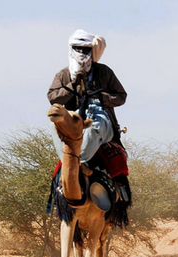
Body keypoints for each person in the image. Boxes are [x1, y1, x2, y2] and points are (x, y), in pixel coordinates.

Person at [47, 29, 127, 163]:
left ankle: (79, 162)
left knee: (93, 127)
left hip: (100, 115)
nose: (82, 53)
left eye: (85, 49)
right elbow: (53, 97)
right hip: (73, 115)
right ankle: (67, 163)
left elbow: (121, 96)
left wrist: (103, 97)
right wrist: (73, 84)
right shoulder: (63, 75)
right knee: (54, 125)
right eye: (78, 49)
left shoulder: (103, 72)